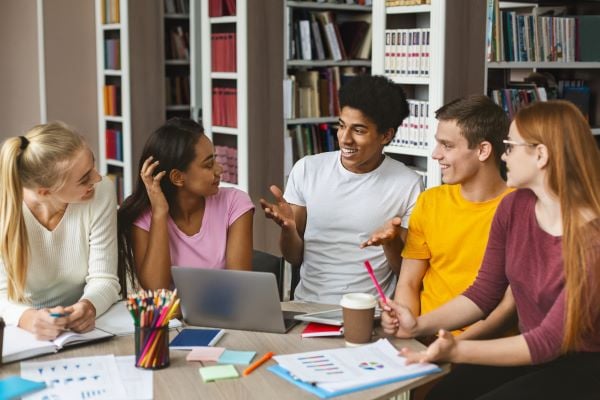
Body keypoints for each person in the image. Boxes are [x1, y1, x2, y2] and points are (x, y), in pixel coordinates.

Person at [381, 100, 600, 399]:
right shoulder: (514, 207)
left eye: (510, 146)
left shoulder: (593, 241)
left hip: (579, 367)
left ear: (541, 155)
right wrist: (417, 325)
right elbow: (483, 293)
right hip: (528, 351)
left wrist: (455, 350)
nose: (504, 154)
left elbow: (548, 341)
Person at [363, 95, 516, 340]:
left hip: (483, 348)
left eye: (447, 146)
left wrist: (451, 346)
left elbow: (506, 310)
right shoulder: (430, 201)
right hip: (424, 336)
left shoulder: (519, 209)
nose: (435, 154)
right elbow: (409, 283)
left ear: (483, 150)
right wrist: (405, 324)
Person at [260, 75, 423, 304]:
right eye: (341, 125)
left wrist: (391, 242)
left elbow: (402, 271)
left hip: (368, 312)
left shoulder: (408, 184)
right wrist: (288, 229)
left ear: (386, 135)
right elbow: (293, 257)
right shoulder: (308, 169)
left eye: (358, 130)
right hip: (306, 308)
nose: (344, 139)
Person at [0, 122, 121, 340]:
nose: (97, 178)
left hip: (89, 325)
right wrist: (27, 318)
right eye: (84, 179)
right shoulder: (6, 209)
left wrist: (89, 305)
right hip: (22, 333)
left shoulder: (101, 193)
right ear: (45, 192)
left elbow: (104, 278)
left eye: (92, 166)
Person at [118, 118, 254, 291]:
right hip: (175, 319)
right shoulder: (145, 218)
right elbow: (156, 290)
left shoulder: (236, 203)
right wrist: (160, 213)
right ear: (178, 178)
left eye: (215, 160)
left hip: (224, 315)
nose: (219, 170)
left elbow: (238, 287)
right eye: (209, 165)